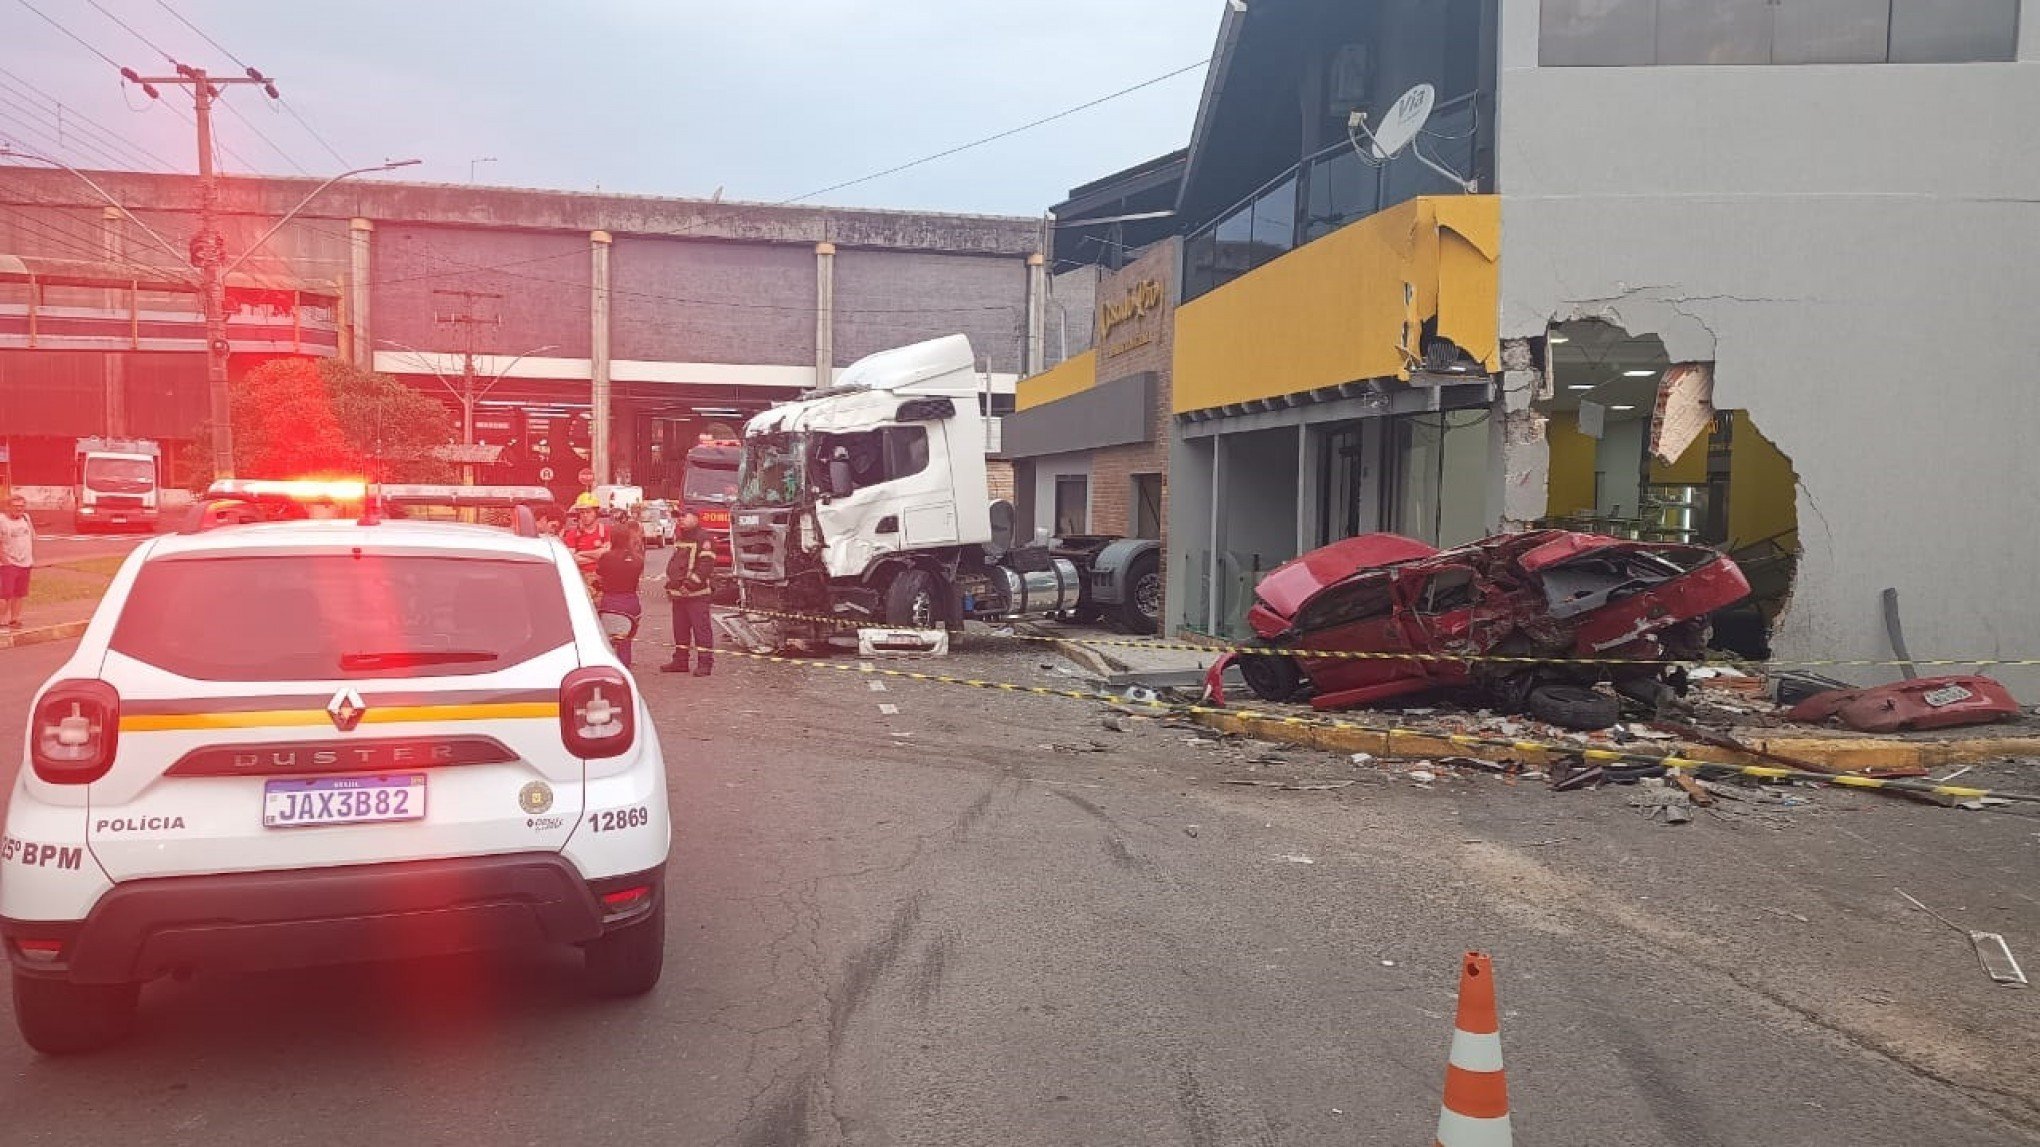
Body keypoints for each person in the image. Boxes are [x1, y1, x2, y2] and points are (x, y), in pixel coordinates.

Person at [661, 508, 717, 677]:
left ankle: (705, 664)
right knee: (680, 630)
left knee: (702, 630)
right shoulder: (681, 537)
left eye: (684, 516)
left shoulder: (705, 538)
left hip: (696, 595)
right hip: (679, 595)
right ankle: (680, 661)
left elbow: (705, 566)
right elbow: (677, 563)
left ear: (696, 518)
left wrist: (689, 585)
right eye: (678, 517)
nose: (680, 520)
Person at [594, 518, 646, 667]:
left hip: (610, 601)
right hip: (631, 602)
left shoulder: (606, 558)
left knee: (607, 640)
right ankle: (625, 668)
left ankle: (609, 667)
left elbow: (599, 577)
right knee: (625, 641)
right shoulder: (638, 560)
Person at [0, 494, 31, 629]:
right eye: (16, 506)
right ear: (8, 507)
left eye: (21, 506)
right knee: (5, 594)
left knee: (19, 593)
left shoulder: (26, 518)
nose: (19, 509)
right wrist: (4, 559)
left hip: (25, 562)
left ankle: (15, 619)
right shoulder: (2, 520)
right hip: (8, 563)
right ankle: (1, 619)